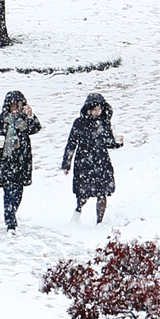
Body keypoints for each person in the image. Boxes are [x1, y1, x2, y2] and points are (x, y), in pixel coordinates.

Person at [0, 90, 41, 233]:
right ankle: (10, 222)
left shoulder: (24, 122)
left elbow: (36, 127)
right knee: (8, 192)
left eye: (19, 105)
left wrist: (30, 115)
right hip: (4, 162)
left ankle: (12, 214)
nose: (16, 109)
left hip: (22, 162)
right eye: (13, 105)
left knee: (18, 192)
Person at [62, 92, 124, 225]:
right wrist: (67, 163)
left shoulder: (104, 123)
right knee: (84, 192)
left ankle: (99, 222)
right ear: (88, 109)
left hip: (102, 160)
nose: (97, 112)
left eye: (99, 109)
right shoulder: (79, 123)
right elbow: (71, 143)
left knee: (103, 192)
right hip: (84, 161)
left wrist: (117, 143)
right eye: (94, 109)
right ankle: (78, 211)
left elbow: (108, 142)